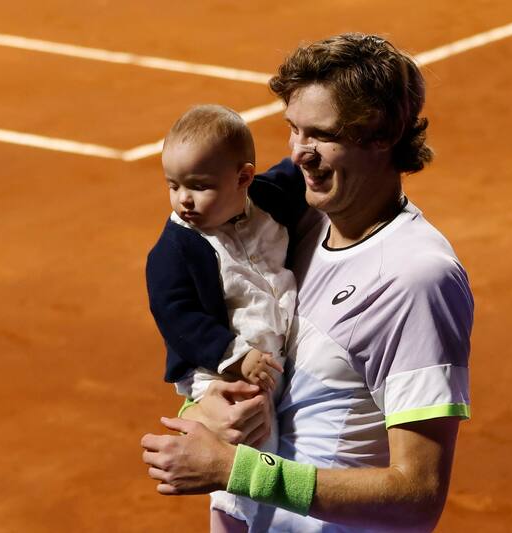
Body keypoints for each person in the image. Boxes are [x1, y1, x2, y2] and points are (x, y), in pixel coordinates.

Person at [142, 33, 474, 532]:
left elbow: (417, 495)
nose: (299, 153)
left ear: (381, 135)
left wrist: (237, 469)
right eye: (293, 129)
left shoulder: (416, 279)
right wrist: (210, 406)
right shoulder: (293, 223)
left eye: (322, 135)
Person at [145, 104, 295, 531]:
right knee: (243, 450)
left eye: (199, 186)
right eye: (173, 185)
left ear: (244, 178)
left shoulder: (268, 197)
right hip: (224, 370)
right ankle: (227, 524)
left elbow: (296, 172)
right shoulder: (176, 248)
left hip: (273, 356)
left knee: (284, 449)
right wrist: (234, 356)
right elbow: (176, 315)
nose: (183, 200)